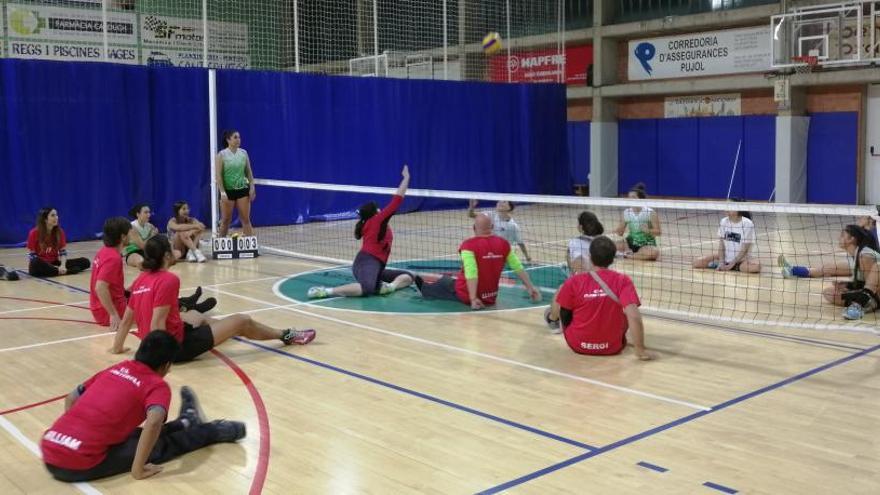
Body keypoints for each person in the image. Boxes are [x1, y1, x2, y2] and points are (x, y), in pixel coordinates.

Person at [41, 331, 246, 482]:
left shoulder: (117, 368)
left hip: (51, 451)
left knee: (134, 436)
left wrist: (80, 432)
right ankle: (212, 431)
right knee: (158, 446)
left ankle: (186, 421)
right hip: (76, 464)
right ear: (167, 365)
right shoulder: (156, 384)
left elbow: (71, 398)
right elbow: (154, 421)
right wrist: (137, 469)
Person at [111, 235, 316, 361]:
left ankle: (230, 331)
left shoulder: (141, 279)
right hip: (176, 347)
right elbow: (157, 322)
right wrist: (159, 360)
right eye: (172, 249)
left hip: (164, 338)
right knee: (242, 320)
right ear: (165, 256)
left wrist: (117, 348)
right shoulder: (168, 279)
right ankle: (286, 335)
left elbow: (128, 320)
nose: (176, 251)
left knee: (195, 314)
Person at [308, 165, 414, 299]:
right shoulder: (377, 220)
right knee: (366, 288)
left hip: (376, 266)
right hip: (367, 262)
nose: (381, 209)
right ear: (375, 212)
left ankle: (389, 287)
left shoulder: (368, 223)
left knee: (408, 277)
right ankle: (326, 291)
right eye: (378, 208)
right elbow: (397, 200)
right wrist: (406, 178)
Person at [91, 217, 213, 331]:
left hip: (102, 307)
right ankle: (189, 308)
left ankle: (185, 302)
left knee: (145, 289)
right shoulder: (113, 258)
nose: (131, 236)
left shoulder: (104, 251)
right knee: (156, 303)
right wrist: (113, 314)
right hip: (109, 312)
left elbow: (109, 287)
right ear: (123, 237)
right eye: (130, 233)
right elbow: (100, 287)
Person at [545, 236, 651, 360]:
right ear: (612, 259)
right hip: (612, 347)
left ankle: (552, 320)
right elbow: (634, 316)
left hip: (577, 345)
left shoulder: (573, 282)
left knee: (568, 303)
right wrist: (640, 349)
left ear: (590, 257)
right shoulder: (623, 281)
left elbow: (564, 313)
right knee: (625, 312)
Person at [416, 213, 542, 309]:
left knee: (442, 282)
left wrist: (472, 298)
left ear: (474, 228)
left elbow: (472, 272)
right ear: (492, 227)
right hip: (490, 298)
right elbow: (517, 266)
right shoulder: (504, 244)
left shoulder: (468, 245)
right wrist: (530, 287)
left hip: (468, 295)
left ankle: (423, 287)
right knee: (449, 281)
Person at [779, 224, 879, 320]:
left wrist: (852, 289)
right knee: (829, 293)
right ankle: (792, 270)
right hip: (869, 291)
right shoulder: (855, 254)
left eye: (842, 235)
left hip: (875, 293)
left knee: (876, 267)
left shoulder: (865, 255)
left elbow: (873, 285)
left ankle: (861, 304)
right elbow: (865, 283)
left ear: (851, 239)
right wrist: (847, 286)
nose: (838, 238)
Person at [27, 207, 90, 277]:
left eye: (56, 215)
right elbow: (32, 255)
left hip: (54, 263)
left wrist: (63, 266)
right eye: (52, 215)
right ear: (45, 219)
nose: (56, 217)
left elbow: (63, 252)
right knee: (35, 262)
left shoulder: (59, 232)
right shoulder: (34, 233)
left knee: (85, 261)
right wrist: (56, 268)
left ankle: (57, 271)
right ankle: (65, 271)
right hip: (41, 265)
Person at [692, 208, 761, 273]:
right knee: (697, 262)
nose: (727, 208)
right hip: (725, 257)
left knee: (756, 267)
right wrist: (721, 261)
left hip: (742, 259)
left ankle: (734, 267)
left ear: (738, 209)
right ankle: (723, 265)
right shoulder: (724, 221)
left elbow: (745, 249)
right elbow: (721, 244)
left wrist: (732, 263)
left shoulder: (747, 223)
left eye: (730, 206)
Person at [216, 130, 256, 238]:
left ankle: (249, 245)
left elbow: (248, 172)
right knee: (225, 220)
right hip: (228, 192)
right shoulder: (222, 155)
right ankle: (220, 244)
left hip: (242, 189)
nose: (238, 139)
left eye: (239, 137)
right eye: (235, 137)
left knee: (245, 219)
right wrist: (222, 192)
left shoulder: (243, 153)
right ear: (228, 139)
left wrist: (252, 187)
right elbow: (218, 176)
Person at [613, 183, 661, 261]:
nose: (630, 199)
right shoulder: (626, 212)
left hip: (646, 244)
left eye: (633, 197)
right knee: (609, 245)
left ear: (640, 199)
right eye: (629, 197)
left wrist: (648, 230)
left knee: (654, 253)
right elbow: (620, 232)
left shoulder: (650, 212)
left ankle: (627, 256)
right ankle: (632, 254)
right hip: (630, 243)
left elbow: (658, 232)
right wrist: (618, 231)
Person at [124, 204, 171, 269]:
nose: (149, 215)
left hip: (147, 252)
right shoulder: (131, 226)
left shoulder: (150, 226)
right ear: (138, 214)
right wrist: (152, 235)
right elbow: (142, 246)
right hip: (133, 253)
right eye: (146, 212)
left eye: (149, 212)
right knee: (142, 263)